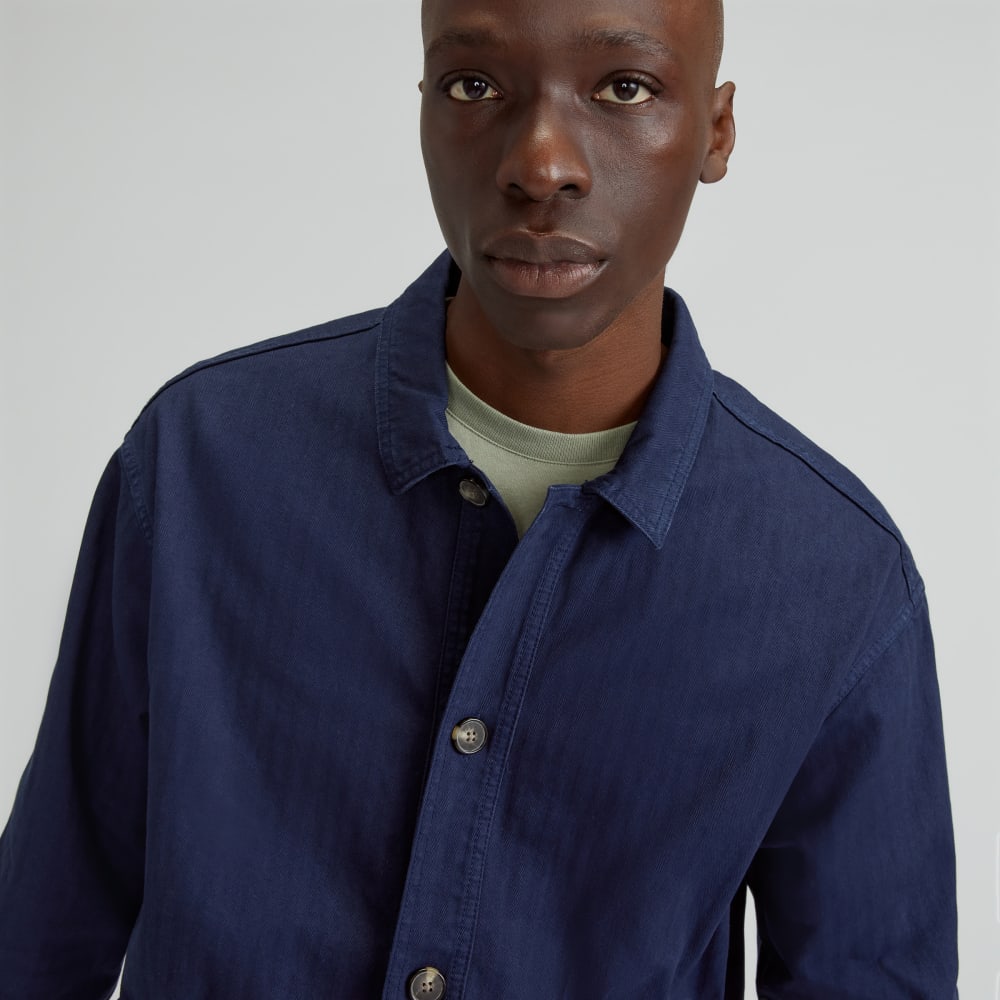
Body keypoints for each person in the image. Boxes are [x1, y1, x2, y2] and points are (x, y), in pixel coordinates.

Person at [0, 0, 958, 996]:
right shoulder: (200, 464)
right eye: (475, 85)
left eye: (624, 88)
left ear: (714, 132)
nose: (541, 165)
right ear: (422, 106)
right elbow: (42, 934)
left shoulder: (836, 582)